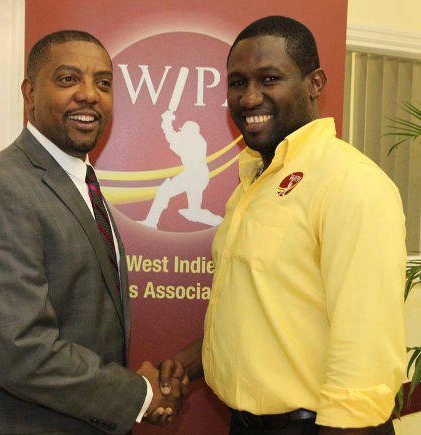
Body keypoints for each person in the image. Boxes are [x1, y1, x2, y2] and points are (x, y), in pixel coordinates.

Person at [159, 16, 406, 435]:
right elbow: (261, 313)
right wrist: (188, 362)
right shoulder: (254, 181)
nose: (250, 97)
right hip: (248, 423)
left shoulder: (350, 182)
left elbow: (366, 349)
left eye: (269, 78)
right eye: (237, 83)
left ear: (315, 83)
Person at [0, 30, 186, 435]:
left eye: (103, 83)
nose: (89, 94)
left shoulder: (80, 180)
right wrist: (138, 394)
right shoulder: (1, 188)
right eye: (69, 79)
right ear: (30, 93)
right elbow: (22, 354)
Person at [139, 110, 222, 228]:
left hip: (193, 176)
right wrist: (167, 123)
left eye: (184, 131)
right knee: (194, 212)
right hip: (199, 176)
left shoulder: (194, 141)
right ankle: (219, 222)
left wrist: (167, 122)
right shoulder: (196, 140)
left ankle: (151, 222)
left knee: (164, 191)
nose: (182, 132)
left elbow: (172, 137)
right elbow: (174, 137)